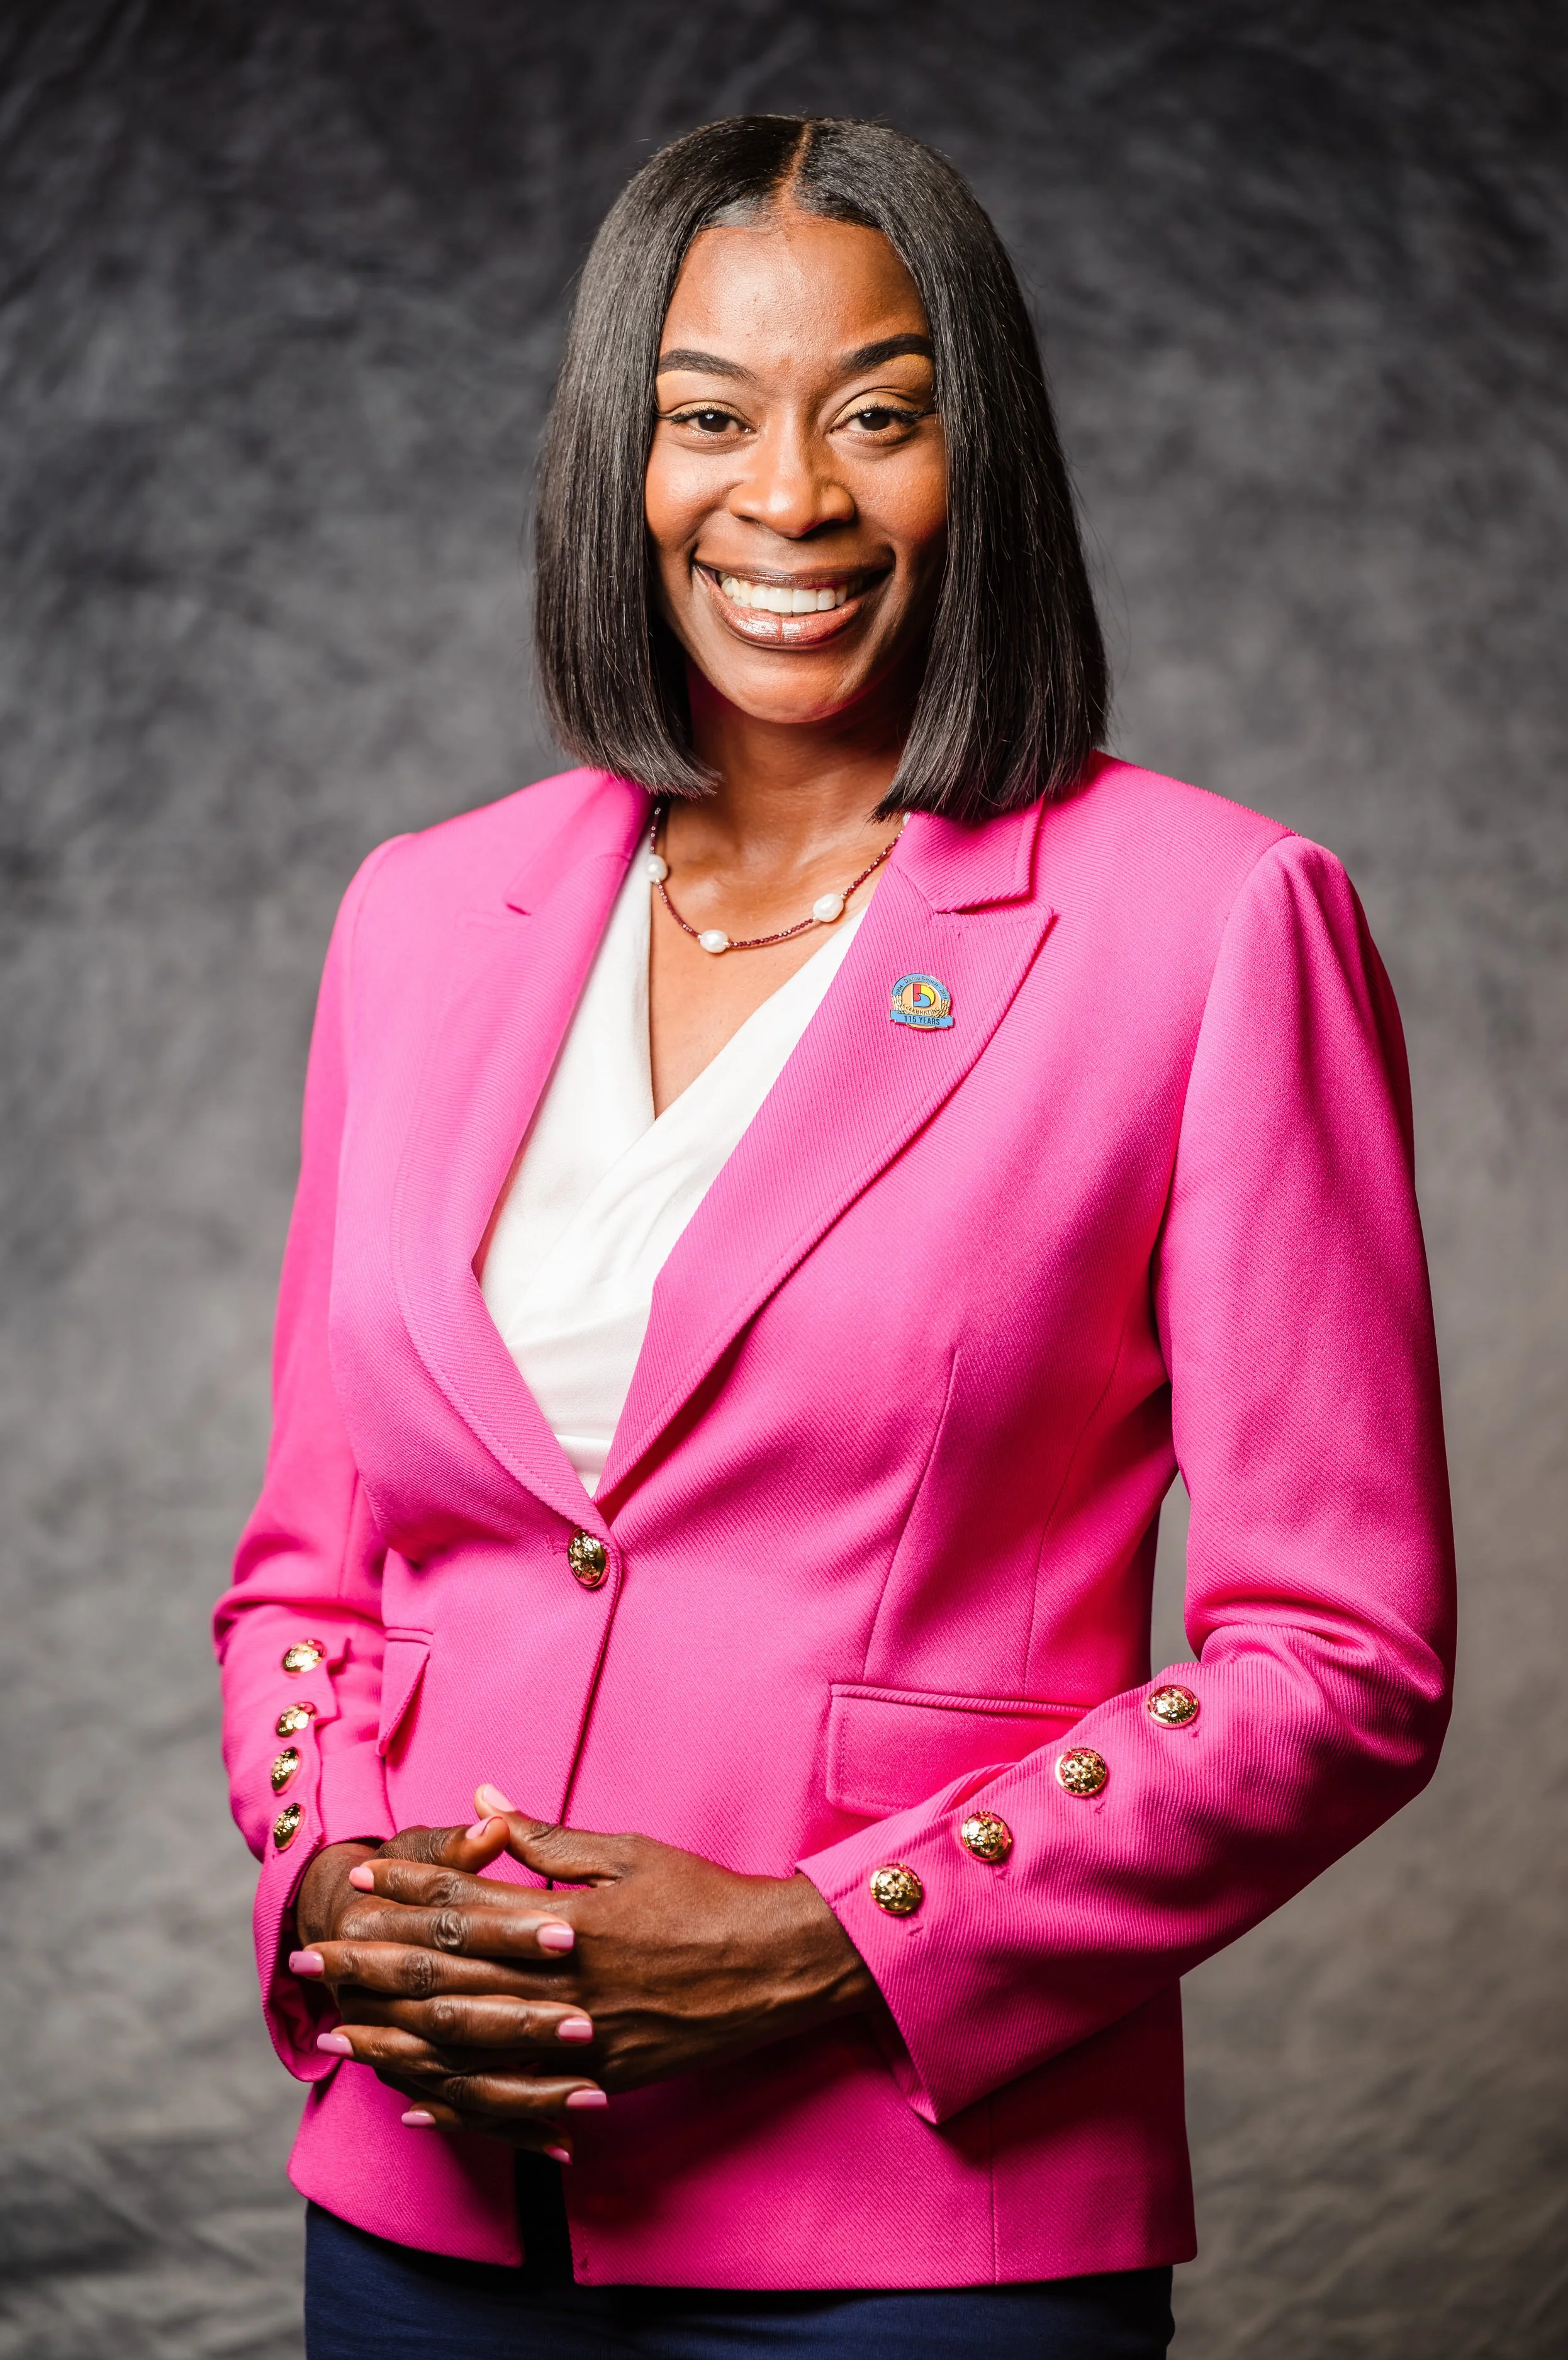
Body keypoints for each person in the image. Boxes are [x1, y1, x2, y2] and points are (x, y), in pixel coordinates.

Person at [214, 115, 1454, 2360]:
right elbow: (311, 1565)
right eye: (707, 415)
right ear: (625, 452)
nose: (785, 496)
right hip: (417, 2215)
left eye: (876, 414)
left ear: (977, 458)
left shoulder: (1206, 926)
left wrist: (831, 1934)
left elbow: (1339, 1659)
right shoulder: (420, 915)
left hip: (912, 2234)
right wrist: (329, 1881)